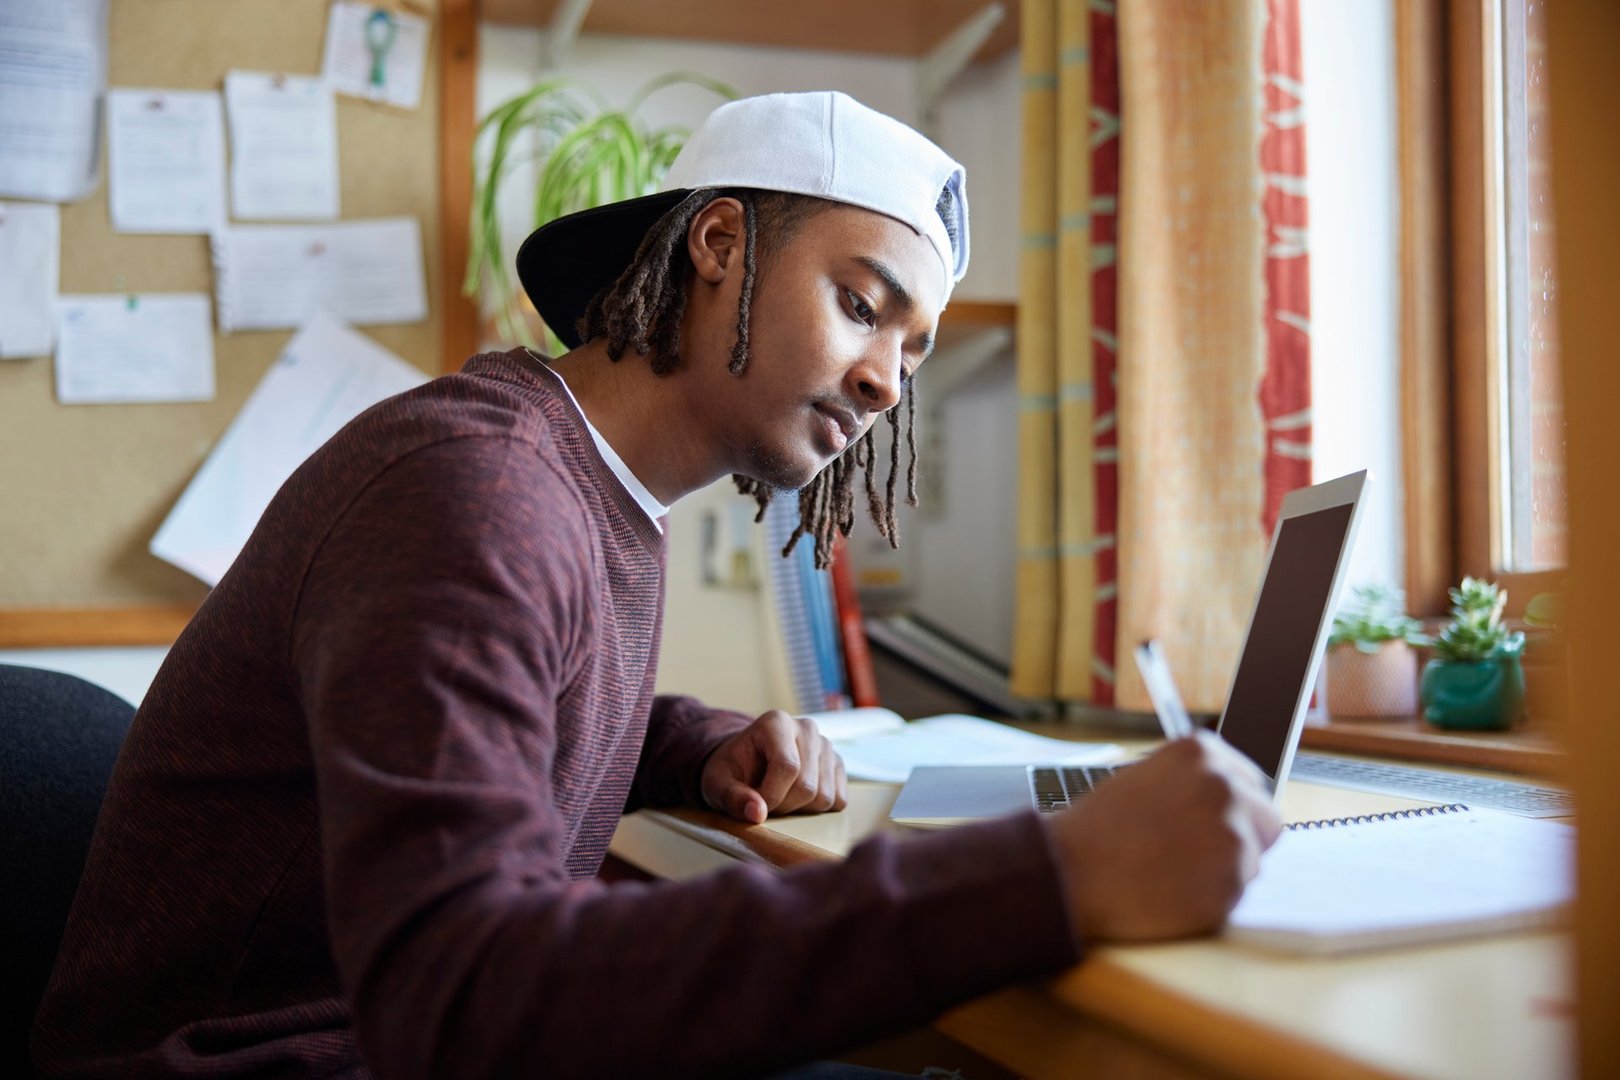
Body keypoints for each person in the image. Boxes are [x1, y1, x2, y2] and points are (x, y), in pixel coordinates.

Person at [33, 91, 1281, 1079]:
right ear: (721, 242)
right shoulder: (477, 491)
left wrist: (693, 743)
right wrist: (1048, 877)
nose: (889, 382)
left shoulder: (583, 489)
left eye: (912, 348)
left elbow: (498, 715)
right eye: (862, 306)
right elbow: (461, 1001)